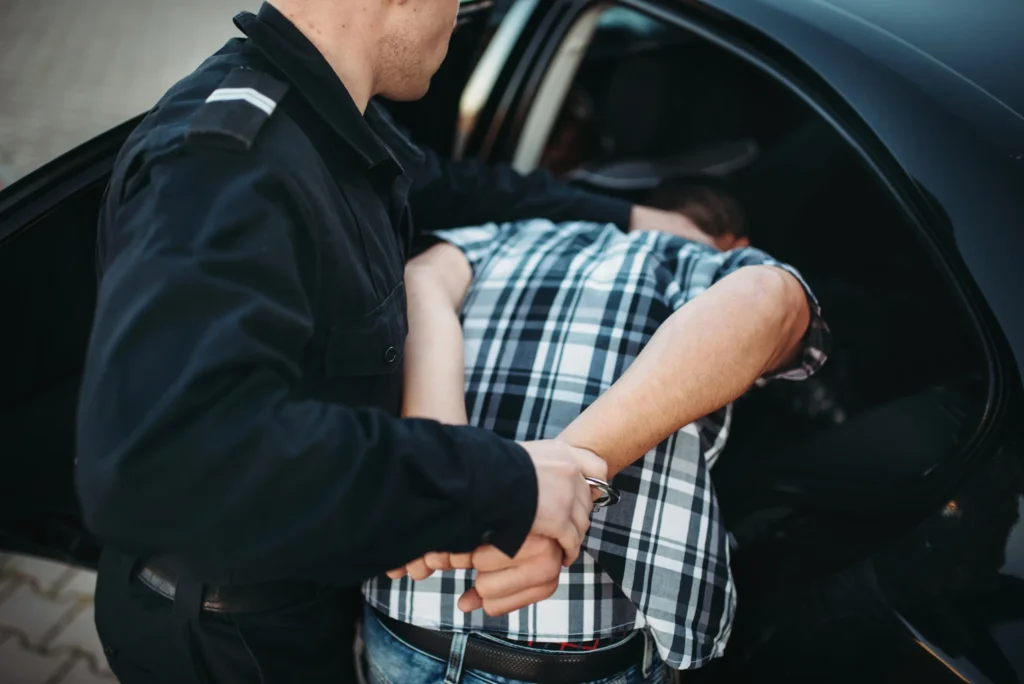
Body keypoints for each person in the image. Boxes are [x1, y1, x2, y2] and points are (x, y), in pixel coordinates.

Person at [73, 2, 711, 682]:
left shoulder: (327, 113)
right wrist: (493, 484)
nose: (462, 14)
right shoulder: (227, 166)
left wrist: (637, 219)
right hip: (230, 638)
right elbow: (161, 459)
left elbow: (454, 191)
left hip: (302, 597)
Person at [365, 182, 831, 682]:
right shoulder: (701, 261)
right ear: (735, 243)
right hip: (572, 641)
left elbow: (418, 280)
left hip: (409, 607)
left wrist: (453, 478)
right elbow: (768, 298)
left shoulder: (500, 236)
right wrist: (538, 493)